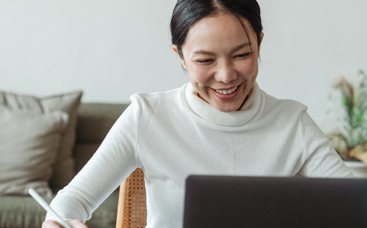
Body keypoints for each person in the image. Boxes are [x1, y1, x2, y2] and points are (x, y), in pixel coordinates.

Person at [43, 0, 354, 227]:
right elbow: (71, 202)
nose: (226, 76)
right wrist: (60, 222)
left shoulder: (292, 123)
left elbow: (354, 207)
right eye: (205, 60)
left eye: (242, 55)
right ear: (180, 57)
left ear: (259, 43)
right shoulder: (147, 116)